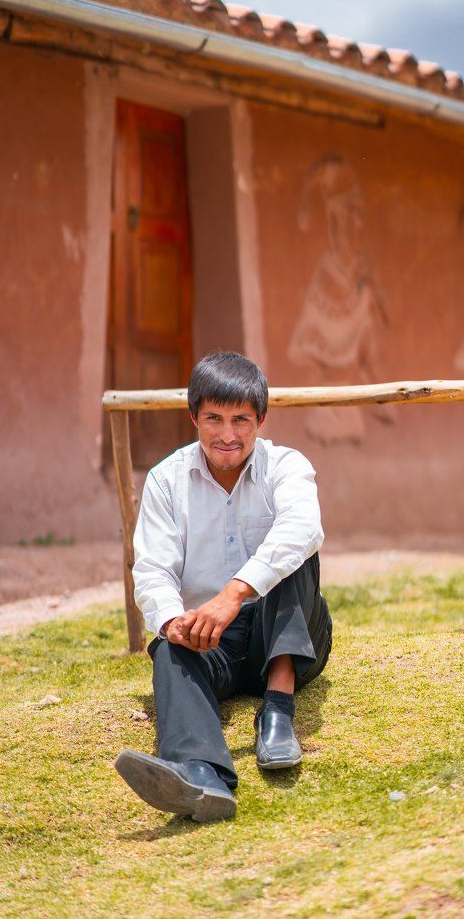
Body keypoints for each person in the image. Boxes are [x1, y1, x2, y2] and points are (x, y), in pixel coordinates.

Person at [115, 351, 332, 822]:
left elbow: (304, 527)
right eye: (213, 418)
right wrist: (174, 623)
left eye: (240, 419)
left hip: (293, 632)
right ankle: (201, 775)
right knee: (169, 650)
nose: (227, 435)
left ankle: (277, 711)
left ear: (261, 421)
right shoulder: (166, 481)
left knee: (294, 554)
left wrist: (233, 594)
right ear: (193, 417)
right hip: (214, 639)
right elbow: (152, 570)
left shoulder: (285, 465)